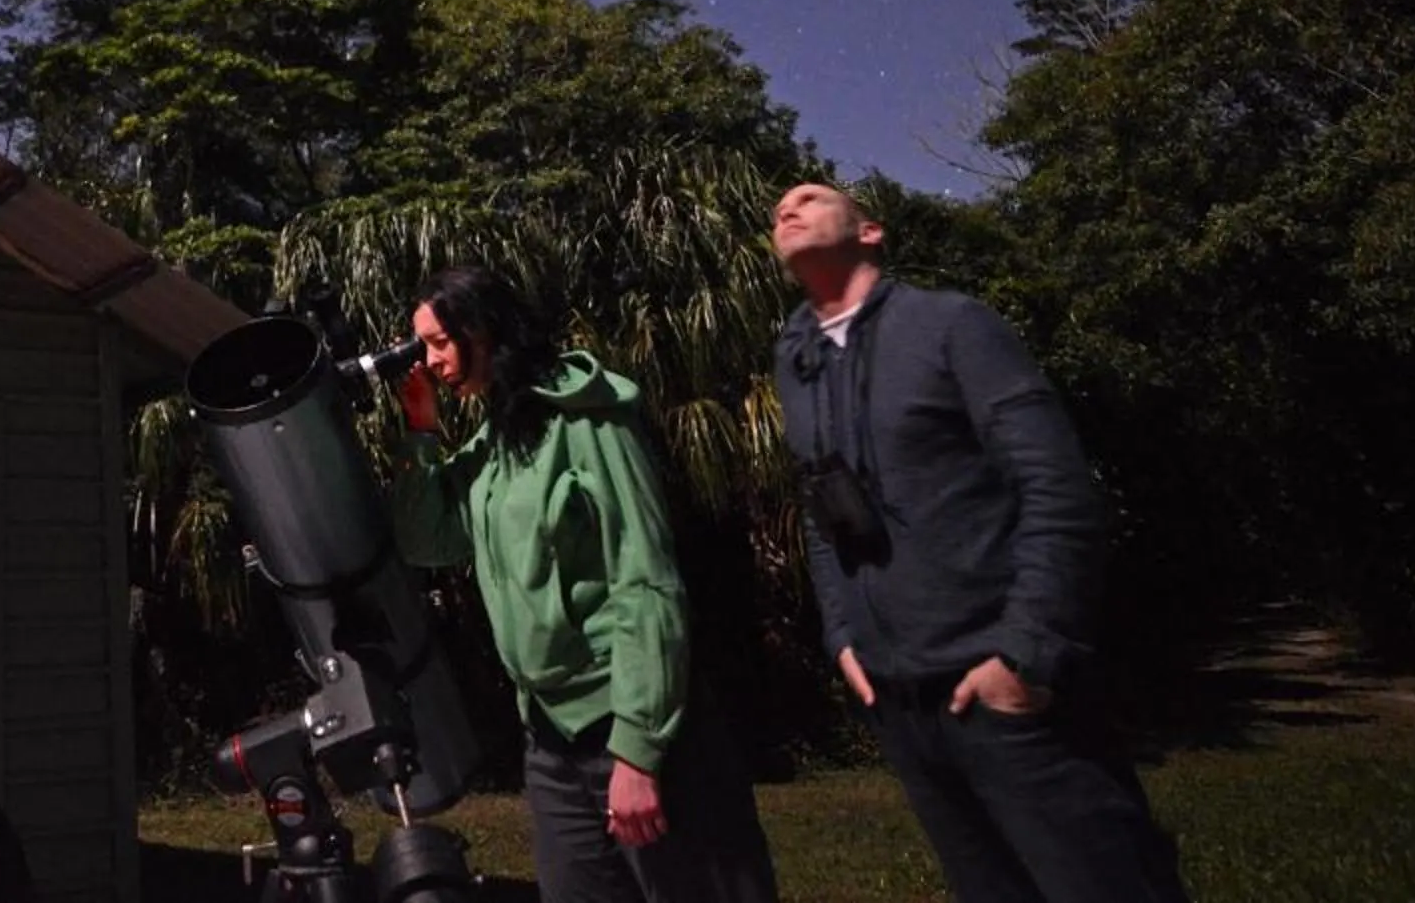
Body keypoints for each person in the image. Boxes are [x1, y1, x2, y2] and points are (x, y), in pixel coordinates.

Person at [767, 182, 1189, 903]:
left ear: (871, 231)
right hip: (901, 700)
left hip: (1005, 689)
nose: (787, 208)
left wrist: (1027, 652)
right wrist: (843, 634)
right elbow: (818, 505)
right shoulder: (794, 357)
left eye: (810, 196)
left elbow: (1057, 488)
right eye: (778, 211)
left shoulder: (951, 324)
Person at [390, 266, 780, 903]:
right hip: (551, 738)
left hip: (632, 722)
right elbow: (427, 541)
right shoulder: (495, 443)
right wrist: (421, 434)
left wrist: (638, 750)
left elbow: (644, 579)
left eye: (438, 342)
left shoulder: (585, 420)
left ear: (484, 330)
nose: (428, 361)